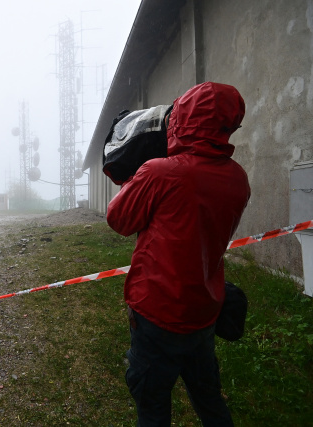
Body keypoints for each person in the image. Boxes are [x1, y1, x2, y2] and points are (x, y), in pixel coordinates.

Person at [106, 82, 251, 426]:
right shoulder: (238, 178)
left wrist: (138, 172)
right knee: (210, 401)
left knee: (153, 405)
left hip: (157, 311)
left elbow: (119, 220)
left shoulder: (159, 172)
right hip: (204, 309)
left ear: (181, 118)